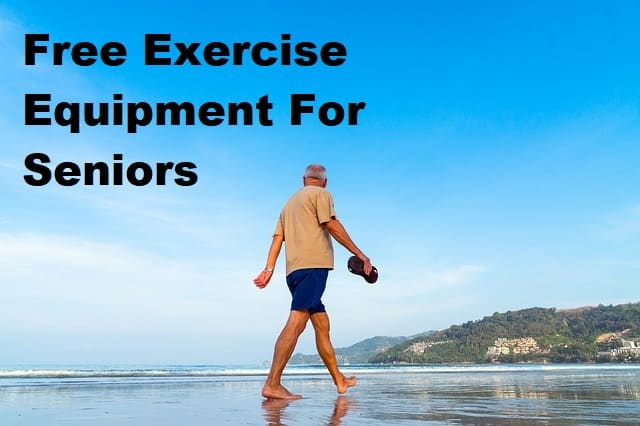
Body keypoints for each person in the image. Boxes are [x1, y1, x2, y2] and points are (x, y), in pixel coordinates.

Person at [254, 164, 373, 399]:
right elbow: (331, 224)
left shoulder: (288, 205)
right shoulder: (322, 195)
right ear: (324, 182)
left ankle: (339, 380)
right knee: (296, 323)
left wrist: (269, 268)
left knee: (321, 324)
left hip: (294, 272)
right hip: (313, 268)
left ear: (304, 179)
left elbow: (278, 239)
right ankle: (272, 384)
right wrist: (360, 254)